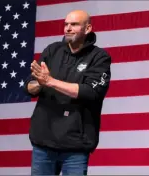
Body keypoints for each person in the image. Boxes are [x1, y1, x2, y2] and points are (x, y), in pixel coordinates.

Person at [23, 10, 111, 175]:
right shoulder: (52, 50)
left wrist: (50, 81)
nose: (68, 28)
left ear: (87, 28)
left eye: (74, 24)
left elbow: (91, 92)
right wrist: (39, 84)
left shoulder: (99, 57)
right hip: (43, 141)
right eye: (66, 24)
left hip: (76, 145)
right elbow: (29, 85)